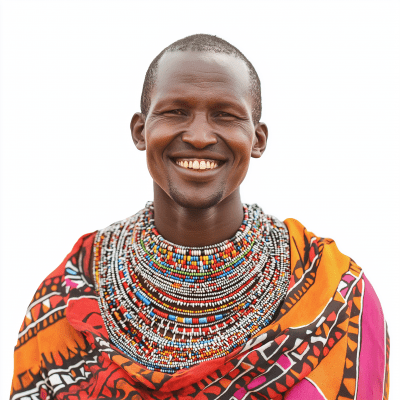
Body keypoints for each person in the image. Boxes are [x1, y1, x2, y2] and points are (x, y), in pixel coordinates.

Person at [10, 34, 389, 400]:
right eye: (176, 111)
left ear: (257, 139)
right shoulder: (73, 290)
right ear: (140, 131)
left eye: (225, 115)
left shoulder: (335, 296)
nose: (200, 136)